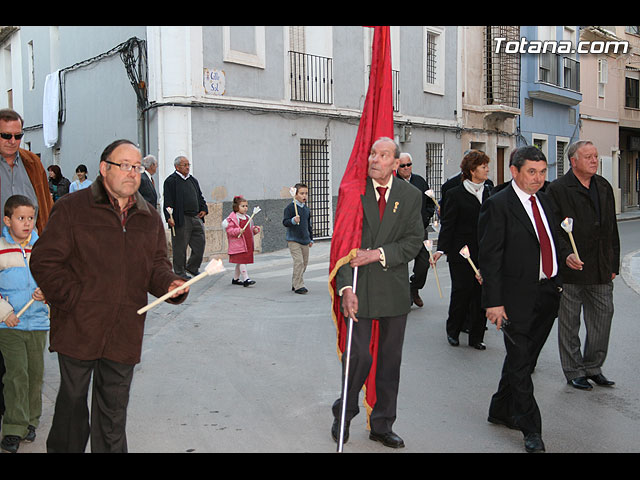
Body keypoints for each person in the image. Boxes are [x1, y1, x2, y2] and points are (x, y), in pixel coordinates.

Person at [29, 139, 190, 453]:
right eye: (125, 166)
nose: (133, 173)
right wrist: (74, 300)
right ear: (104, 169)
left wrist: (170, 284)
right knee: (72, 406)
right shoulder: (72, 208)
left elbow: (156, 265)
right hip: (79, 326)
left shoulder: (148, 217)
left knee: (113, 413)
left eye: (137, 167)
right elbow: (45, 260)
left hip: (124, 329)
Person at [331, 137, 423, 449]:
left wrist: (378, 254)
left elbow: (414, 241)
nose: (374, 159)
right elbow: (343, 247)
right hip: (359, 286)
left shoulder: (410, 196)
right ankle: (345, 410)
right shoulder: (353, 193)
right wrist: (345, 288)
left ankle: (382, 424)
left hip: (394, 290)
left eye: (383, 155)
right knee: (358, 356)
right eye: (372, 153)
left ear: (396, 164)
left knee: (389, 362)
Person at [478, 146, 567, 453]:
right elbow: (489, 258)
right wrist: (494, 302)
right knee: (519, 362)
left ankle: (499, 409)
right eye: (532, 172)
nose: (538, 179)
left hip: (547, 293)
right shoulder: (498, 204)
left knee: (525, 360)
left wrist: (561, 267)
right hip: (515, 298)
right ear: (514, 171)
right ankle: (531, 429)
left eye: (542, 172)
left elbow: (551, 239)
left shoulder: (545, 200)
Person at [546, 140, 620, 390]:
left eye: (596, 156)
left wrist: (614, 263)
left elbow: (612, 227)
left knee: (603, 318)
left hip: (600, 267)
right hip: (571, 270)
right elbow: (553, 229)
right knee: (569, 322)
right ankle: (573, 369)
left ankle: (593, 366)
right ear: (573, 161)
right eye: (588, 156)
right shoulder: (558, 189)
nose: (594, 160)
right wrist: (565, 254)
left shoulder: (603, 186)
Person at [0, 108, 53, 430]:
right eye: (6, 135)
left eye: (18, 135)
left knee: (26, 366)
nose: (12, 141)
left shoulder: (31, 163)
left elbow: (45, 204)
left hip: (28, 252)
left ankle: (21, 418)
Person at [0, 195, 49, 453]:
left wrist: (46, 292)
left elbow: (54, 278)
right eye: (21, 218)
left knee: (35, 375)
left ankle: (31, 420)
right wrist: (4, 311)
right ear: (7, 221)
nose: (27, 223)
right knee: (16, 374)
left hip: (38, 322)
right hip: (10, 325)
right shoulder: (1, 248)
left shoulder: (42, 249)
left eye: (31, 218)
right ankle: (13, 427)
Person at [432, 150, 490, 349]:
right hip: (462, 253)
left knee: (480, 295)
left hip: (484, 253)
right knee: (462, 293)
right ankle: (453, 331)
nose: (487, 170)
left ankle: (476, 337)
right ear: (473, 170)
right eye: (483, 167)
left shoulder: (489, 191)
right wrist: (441, 250)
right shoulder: (455, 194)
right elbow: (448, 224)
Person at [396, 153, 435, 307]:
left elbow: (430, 203)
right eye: (403, 165)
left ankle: (414, 288)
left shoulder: (419, 181)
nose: (406, 168)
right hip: (400, 233)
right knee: (400, 265)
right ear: (397, 166)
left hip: (420, 231)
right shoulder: (393, 183)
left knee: (423, 264)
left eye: (409, 164)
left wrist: (425, 218)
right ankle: (405, 295)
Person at [163, 156, 208, 279]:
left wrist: (204, 209)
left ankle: (192, 267)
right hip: (181, 218)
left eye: (188, 165)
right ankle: (179, 272)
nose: (187, 167)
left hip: (196, 217)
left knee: (200, 244)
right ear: (177, 167)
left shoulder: (192, 180)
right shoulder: (171, 181)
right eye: (184, 165)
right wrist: (169, 217)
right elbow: (168, 201)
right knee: (180, 247)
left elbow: (200, 196)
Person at [223, 196, 261, 287]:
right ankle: (246, 278)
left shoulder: (248, 217)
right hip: (239, 244)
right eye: (242, 206)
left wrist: (255, 230)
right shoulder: (233, 219)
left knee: (241, 262)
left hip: (247, 243)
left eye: (246, 206)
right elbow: (230, 230)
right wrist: (237, 231)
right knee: (242, 261)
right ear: (236, 207)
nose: (245, 208)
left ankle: (235, 279)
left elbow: (249, 229)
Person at [283, 183, 314, 294]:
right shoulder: (290, 208)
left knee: (304, 263)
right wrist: (293, 220)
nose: (304, 196)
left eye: (306, 193)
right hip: (293, 239)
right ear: (295, 194)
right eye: (301, 193)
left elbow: (308, 225)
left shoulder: (306, 209)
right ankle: (298, 285)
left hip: (305, 239)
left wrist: (311, 238)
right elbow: (285, 222)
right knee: (299, 262)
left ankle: (295, 282)